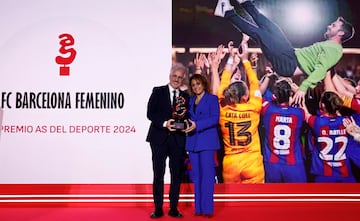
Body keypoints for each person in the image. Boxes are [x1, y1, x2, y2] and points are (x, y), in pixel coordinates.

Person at [214, 0, 355, 105]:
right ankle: (245, 3)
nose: (330, 26)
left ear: (340, 33)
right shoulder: (330, 46)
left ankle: (227, 12)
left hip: (289, 65)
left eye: (334, 26)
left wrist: (303, 88)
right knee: (271, 27)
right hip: (291, 55)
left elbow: (321, 69)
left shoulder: (335, 50)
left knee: (260, 34)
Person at [212, 35, 265, 183]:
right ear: (244, 97)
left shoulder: (222, 108)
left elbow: (222, 84)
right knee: (255, 203)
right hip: (252, 162)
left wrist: (230, 58)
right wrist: (245, 60)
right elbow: (255, 83)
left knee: (233, 205)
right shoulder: (254, 108)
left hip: (231, 164)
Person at [146, 62, 189, 218]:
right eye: (174, 76)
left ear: (183, 79)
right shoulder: (158, 91)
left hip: (178, 140)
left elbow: (188, 117)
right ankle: (158, 208)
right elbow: (150, 113)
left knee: (176, 174)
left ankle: (173, 208)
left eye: (180, 77)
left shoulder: (185, 96)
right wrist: (165, 124)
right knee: (158, 173)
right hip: (159, 138)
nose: (176, 79)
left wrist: (186, 124)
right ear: (170, 76)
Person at [184, 74, 220, 217]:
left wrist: (197, 125)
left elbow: (215, 118)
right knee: (197, 177)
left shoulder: (212, 99)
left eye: (198, 84)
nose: (196, 87)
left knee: (207, 176)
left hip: (207, 143)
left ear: (203, 84)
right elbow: (188, 118)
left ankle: (207, 209)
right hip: (193, 143)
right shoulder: (191, 100)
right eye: (193, 85)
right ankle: (198, 209)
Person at [301, 91, 356, 182]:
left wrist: (300, 98)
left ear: (322, 105)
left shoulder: (316, 122)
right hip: (345, 175)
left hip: (323, 176)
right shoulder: (347, 121)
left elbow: (305, 113)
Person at [261, 79, 307, 183]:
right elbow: (305, 111)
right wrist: (298, 90)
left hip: (271, 164)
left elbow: (257, 95)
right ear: (290, 94)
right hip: (293, 164)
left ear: (275, 95)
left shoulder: (267, 108)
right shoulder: (298, 113)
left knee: (274, 197)